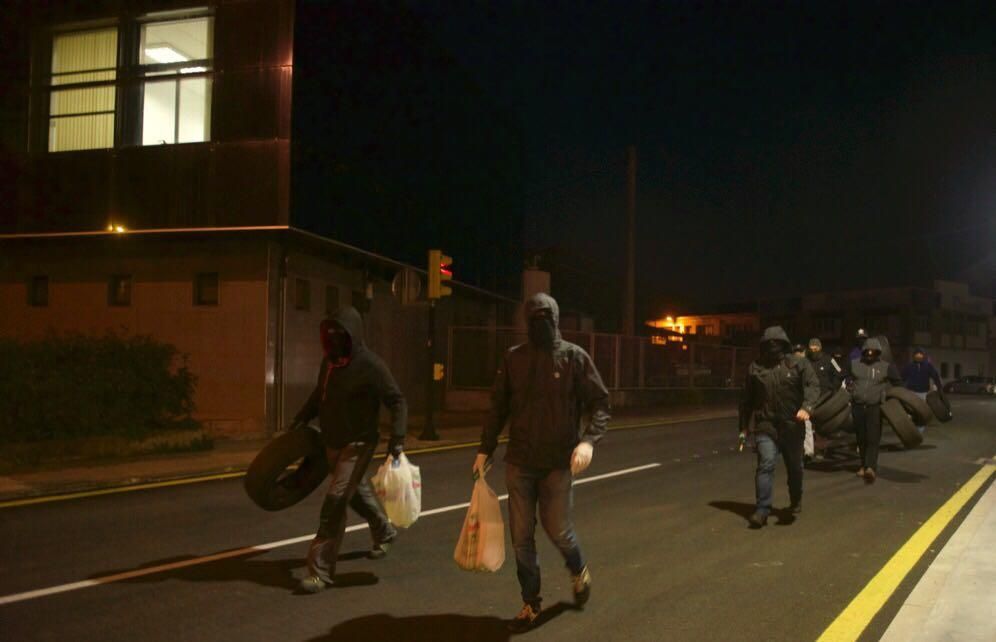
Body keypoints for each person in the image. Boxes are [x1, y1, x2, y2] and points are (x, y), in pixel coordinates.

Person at [474, 293, 610, 632]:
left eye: (545, 318)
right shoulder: (513, 359)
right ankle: (530, 603)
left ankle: (578, 569)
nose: (539, 325)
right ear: (525, 321)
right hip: (520, 461)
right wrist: (484, 449)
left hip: (558, 463)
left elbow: (601, 404)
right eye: (533, 319)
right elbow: (497, 408)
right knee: (521, 536)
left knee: (558, 530)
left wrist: (588, 442)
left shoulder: (574, 358)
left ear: (556, 319)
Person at [292, 307, 408, 593]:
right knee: (353, 494)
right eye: (328, 337)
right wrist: (302, 417)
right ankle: (384, 530)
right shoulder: (330, 364)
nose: (332, 344)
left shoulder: (371, 365)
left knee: (335, 501)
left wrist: (398, 437)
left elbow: (397, 400)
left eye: (338, 337)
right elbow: (320, 394)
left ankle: (320, 571)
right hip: (332, 441)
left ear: (352, 336)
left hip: (358, 444)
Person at [738, 326, 820, 528]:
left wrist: (806, 407)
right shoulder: (756, 368)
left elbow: (813, 386)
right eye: (768, 344)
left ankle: (795, 498)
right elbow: (746, 400)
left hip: (792, 425)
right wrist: (743, 427)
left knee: (795, 467)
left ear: (785, 344)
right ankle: (762, 509)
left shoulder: (798, 363)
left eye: (777, 343)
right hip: (766, 425)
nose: (773, 347)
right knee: (765, 464)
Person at [847, 338, 903, 484]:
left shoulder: (885, 366)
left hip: (875, 407)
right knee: (861, 438)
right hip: (858, 406)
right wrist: (847, 389)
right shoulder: (855, 364)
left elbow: (898, 383)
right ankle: (862, 465)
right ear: (864, 351)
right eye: (868, 351)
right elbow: (841, 377)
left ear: (878, 352)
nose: (870, 354)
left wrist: (889, 396)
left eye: (873, 352)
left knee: (873, 438)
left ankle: (870, 467)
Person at [803, 338, 842, 460]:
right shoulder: (805, 361)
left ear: (820, 348)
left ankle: (821, 449)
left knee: (821, 426)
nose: (814, 350)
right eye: (812, 348)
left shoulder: (829, 359)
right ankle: (808, 452)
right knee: (807, 425)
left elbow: (839, 373)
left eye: (816, 348)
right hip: (809, 398)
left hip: (825, 398)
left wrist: (833, 388)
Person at [901, 347, 942, 434]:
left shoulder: (928, 366)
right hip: (911, 392)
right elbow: (902, 377)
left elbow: (935, 376)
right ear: (914, 356)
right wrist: (900, 387)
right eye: (917, 354)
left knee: (921, 411)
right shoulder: (909, 366)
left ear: (923, 356)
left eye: (921, 354)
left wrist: (938, 386)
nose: (919, 356)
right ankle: (909, 428)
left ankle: (919, 431)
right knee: (910, 411)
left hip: (923, 393)